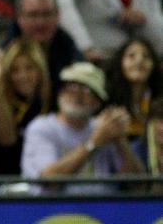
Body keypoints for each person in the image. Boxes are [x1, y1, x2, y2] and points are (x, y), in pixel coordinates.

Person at [21, 61, 144, 195]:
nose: (77, 94)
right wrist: (93, 143)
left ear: (98, 102)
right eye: (71, 86)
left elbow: (138, 185)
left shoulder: (105, 128)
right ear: (60, 92)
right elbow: (48, 181)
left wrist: (120, 141)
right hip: (54, 211)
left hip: (104, 210)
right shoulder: (41, 127)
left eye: (86, 89)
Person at [0, 38, 51, 174]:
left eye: (29, 68)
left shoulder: (50, 101)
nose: (22, 76)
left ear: (40, 70)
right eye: (15, 70)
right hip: (5, 180)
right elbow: (7, 142)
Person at [3, 0, 80, 95]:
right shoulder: (2, 51)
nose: (40, 23)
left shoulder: (67, 47)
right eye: (33, 15)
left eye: (47, 14)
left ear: (58, 16)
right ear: (19, 17)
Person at [107, 38, 162, 140]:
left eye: (146, 56)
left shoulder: (159, 98)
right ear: (120, 62)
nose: (139, 60)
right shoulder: (107, 97)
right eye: (131, 56)